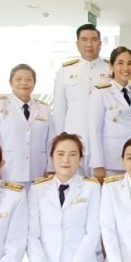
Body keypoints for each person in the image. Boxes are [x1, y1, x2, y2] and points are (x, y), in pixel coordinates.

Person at [26, 133, 102, 262]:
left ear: (80, 159)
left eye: (72, 154)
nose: (66, 160)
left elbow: (93, 232)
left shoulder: (92, 188)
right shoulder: (37, 189)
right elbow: (32, 237)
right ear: (51, 157)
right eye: (60, 154)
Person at [0, 63, 54, 186]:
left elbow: (50, 142)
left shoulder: (44, 108)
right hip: (8, 171)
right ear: (11, 82)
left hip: (38, 171)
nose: (24, 83)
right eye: (18, 79)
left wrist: (51, 168)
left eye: (28, 79)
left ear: (34, 83)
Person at [52, 23, 112, 171]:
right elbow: (59, 111)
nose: (89, 44)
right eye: (84, 39)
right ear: (77, 44)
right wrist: (60, 143)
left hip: (104, 140)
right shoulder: (65, 71)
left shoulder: (111, 69)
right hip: (74, 140)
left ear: (100, 43)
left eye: (94, 39)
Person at [88, 46, 131, 179]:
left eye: (130, 63)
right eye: (120, 63)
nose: (126, 68)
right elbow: (94, 131)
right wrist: (98, 164)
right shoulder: (101, 93)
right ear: (112, 65)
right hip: (110, 162)